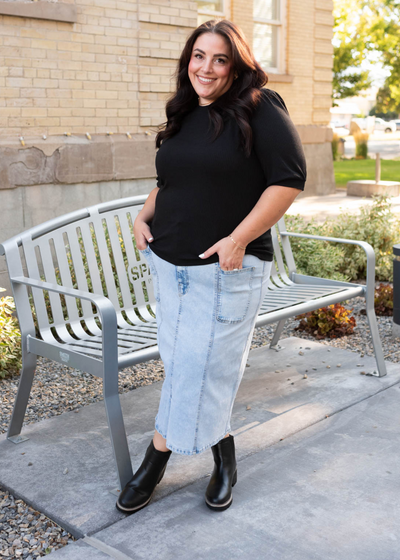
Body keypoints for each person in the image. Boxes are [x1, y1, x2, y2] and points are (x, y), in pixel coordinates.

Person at [116, 18, 306, 515]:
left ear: (235, 65)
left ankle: (156, 458)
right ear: (188, 61)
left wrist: (238, 238)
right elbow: (171, 177)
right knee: (187, 366)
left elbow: (288, 179)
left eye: (220, 59)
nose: (207, 68)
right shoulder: (183, 111)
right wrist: (143, 214)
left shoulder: (259, 107)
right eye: (199, 56)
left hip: (226, 270)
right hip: (168, 263)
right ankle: (225, 456)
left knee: (203, 369)